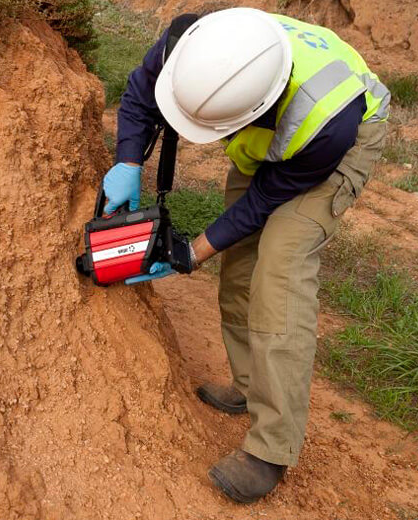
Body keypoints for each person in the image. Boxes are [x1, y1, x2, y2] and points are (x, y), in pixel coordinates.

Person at [104, 7, 390, 503]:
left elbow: (263, 203)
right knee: (238, 268)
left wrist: (191, 253)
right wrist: (129, 160)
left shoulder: (324, 126)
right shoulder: (194, 46)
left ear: (256, 110)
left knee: (278, 270)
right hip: (271, 135)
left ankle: (271, 449)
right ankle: (250, 386)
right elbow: (137, 96)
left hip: (334, 142)